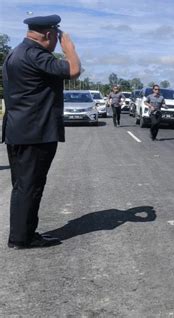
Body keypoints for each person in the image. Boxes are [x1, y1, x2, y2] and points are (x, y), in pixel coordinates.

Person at [2, 14, 81, 249]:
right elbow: (74, 70)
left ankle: (21, 234)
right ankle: (22, 238)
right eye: (57, 37)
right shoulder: (36, 55)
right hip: (35, 132)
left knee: (23, 185)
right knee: (31, 185)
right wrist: (70, 48)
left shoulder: (15, 52)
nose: (58, 41)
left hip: (18, 130)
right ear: (49, 34)